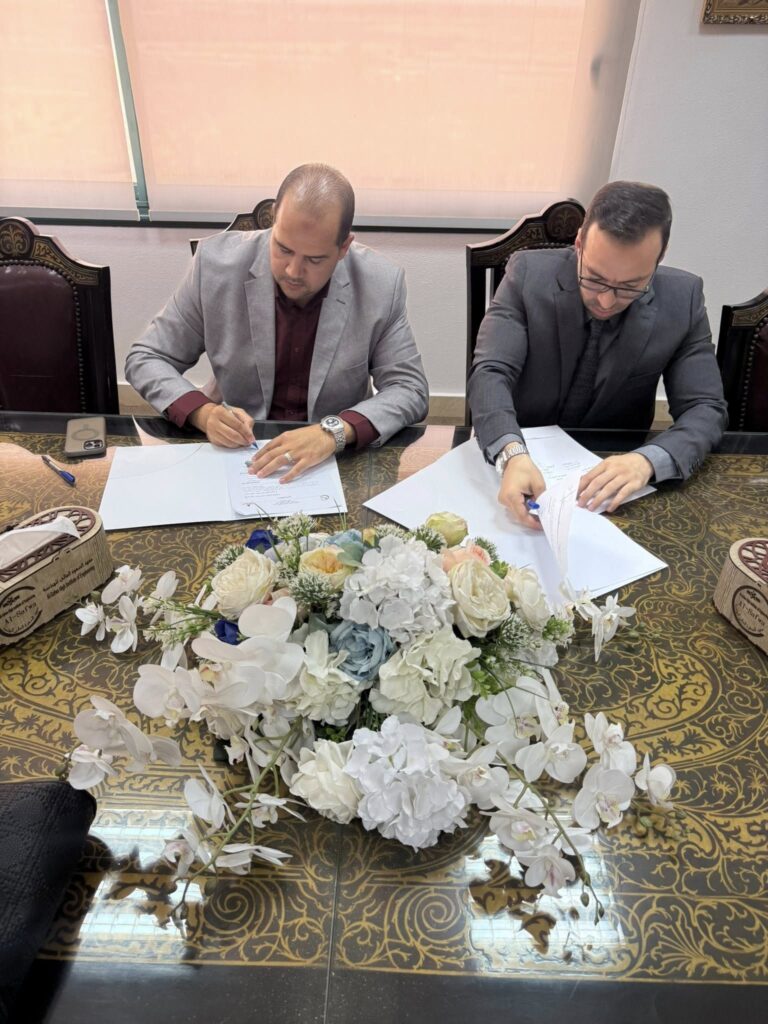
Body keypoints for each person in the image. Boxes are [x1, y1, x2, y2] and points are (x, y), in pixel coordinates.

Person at [125, 163, 428, 480]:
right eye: (283, 248)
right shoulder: (214, 266)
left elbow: (409, 389)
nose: (293, 271)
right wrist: (204, 412)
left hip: (332, 459)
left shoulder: (381, 284)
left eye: (314, 259)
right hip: (238, 452)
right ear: (273, 221)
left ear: (343, 248)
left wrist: (335, 431)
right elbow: (147, 357)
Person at [467, 180, 728, 528]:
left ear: (659, 258)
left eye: (630, 286)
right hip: (523, 452)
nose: (606, 301)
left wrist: (648, 461)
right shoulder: (527, 274)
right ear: (579, 243)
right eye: (594, 278)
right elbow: (490, 372)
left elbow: (706, 408)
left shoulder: (684, 299)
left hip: (616, 471)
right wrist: (511, 453)